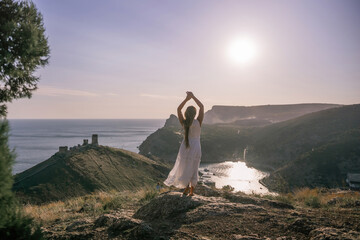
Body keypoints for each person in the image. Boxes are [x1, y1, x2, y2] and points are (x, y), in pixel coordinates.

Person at [164, 91, 204, 196]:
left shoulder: (184, 123)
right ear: (195, 114)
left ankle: (186, 188)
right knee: (194, 167)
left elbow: (178, 109)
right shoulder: (198, 122)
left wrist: (187, 99)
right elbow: (201, 106)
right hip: (196, 146)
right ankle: (191, 191)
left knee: (185, 167)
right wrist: (193, 97)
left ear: (186, 113)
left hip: (185, 146)